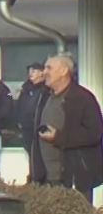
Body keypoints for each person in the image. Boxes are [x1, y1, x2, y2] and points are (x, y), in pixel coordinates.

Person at [40, 54, 102, 198]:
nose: (44, 72)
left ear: (63, 71)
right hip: (48, 178)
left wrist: (59, 137)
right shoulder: (44, 96)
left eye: (49, 68)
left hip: (74, 179)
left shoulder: (82, 98)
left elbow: (94, 133)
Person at [14, 62, 52, 183]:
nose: (31, 73)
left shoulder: (46, 90)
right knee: (31, 154)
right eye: (30, 71)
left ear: (42, 72)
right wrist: (18, 121)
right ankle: (33, 178)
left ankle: (41, 179)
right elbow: (19, 106)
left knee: (40, 156)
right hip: (26, 128)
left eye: (34, 71)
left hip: (39, 128)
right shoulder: (26, 88)